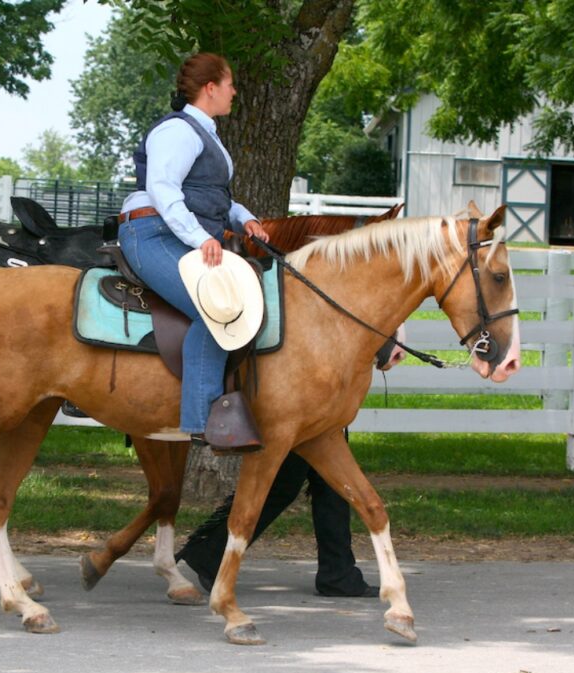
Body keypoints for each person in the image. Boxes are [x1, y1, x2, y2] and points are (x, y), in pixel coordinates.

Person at [117, 53, 270, 447]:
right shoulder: (178, 132)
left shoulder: (206, 134)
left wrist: (244, 219)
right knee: (217, 311)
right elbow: (164, 190)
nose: (235, 91)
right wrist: (201, 238)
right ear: (210, 88)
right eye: (230, 84)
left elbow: (210, 197)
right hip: (151, 233)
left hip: (175, 233)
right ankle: (201, 421)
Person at [176, 428, 379, 597]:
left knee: (330, 486)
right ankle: (209, 553)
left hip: (317, 413)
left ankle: (338, 572)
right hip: (305, 412)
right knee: (283, 487)